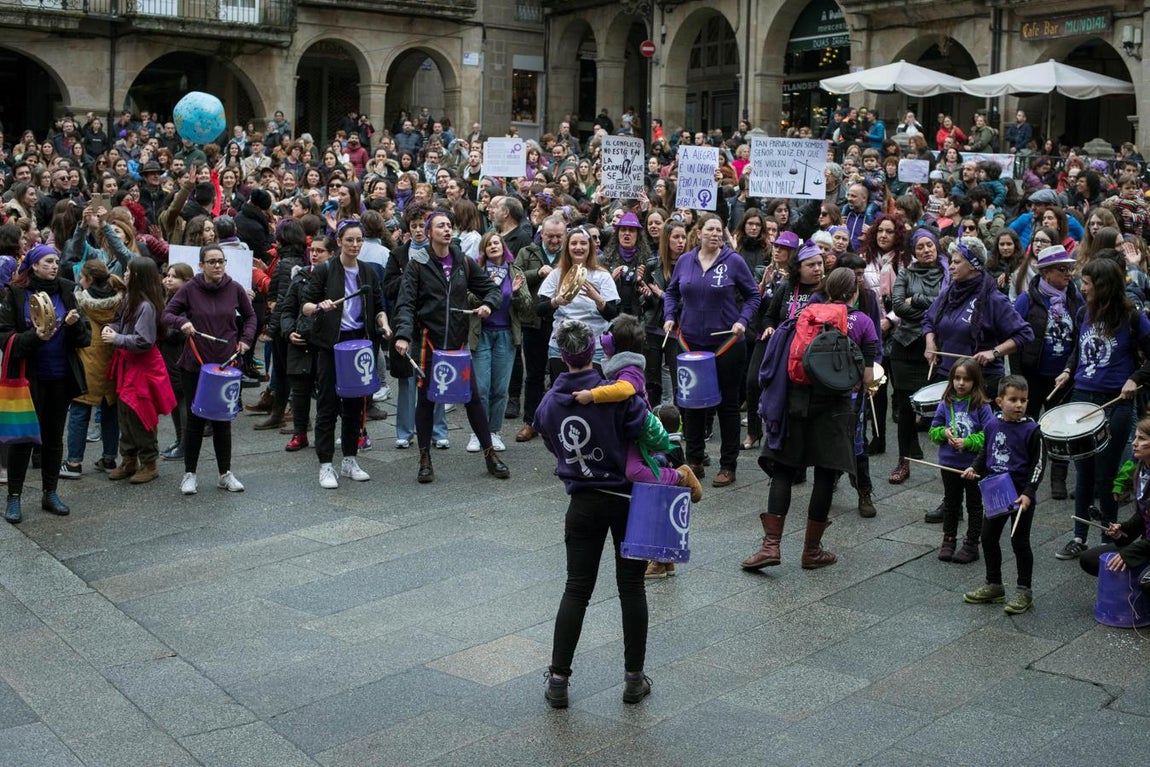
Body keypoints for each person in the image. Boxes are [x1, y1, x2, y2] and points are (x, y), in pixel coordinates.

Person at [534, 319, 652, 709]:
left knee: (576, 590)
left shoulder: (551, 403)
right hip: (626, 499)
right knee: (632, 588)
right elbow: (643, 426)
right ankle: (634, 679)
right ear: (595, 352)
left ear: (562, 356)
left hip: (583, 502)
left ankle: (558, 680)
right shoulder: (614, 393)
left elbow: (551, 439)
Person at [743, 265, 876, 571]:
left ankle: (770, 546)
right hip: (834, 408)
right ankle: (811, 551)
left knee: (784, 472)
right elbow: (864, 378)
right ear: (854, 291)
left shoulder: (803, 316)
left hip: (795, 402)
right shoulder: (862, 323)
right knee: (826, 475)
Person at [392, 209, 510, 483]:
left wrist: (487, 305)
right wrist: (403, 335)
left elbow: (491, 290)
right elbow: (406, 303)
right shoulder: (418, 264)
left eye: (449, 226)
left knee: (472, 398)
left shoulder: (464, 262)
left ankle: (490, 453)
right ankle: (424, 457)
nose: (447, 230)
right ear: (430, 233)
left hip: (457, 344)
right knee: (426, 400)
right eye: (440, 226)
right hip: (428, 343)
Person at [1053, 258, 1150, 559]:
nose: (1081, 287)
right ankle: (1079, 536)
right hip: (1082, 397)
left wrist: (1135, 379)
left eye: (1087, 283)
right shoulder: (1084, 312)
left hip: (1115, 402)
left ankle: (1110, 536)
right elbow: (1077, 351)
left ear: (1104, 286)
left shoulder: (1132, 317)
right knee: (1082, 471)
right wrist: (1068, 371)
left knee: (1105, 475)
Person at [663, 213, 760, 488]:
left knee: (727, 406)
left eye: (719, 230)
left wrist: (742, 321)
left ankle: (728, 464)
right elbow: (671, 292)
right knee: (691, 405)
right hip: (691, 344)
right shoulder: (685, 260)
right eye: (710, 229)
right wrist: (670, 315)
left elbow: (753, 295)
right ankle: (694, 460)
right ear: (700, 232)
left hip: (726, 345)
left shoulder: (734, 262)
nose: (715, 234)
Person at [0, 244, 90, 523]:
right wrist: (35, 337)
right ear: (34, 265)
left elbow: (84, 339)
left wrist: (75, 324)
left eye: (56, 261)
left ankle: (50, 493)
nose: (54, 266)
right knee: (23, 438)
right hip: (29, 378)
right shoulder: (16, 293)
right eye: (48, 262)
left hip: (60, 377)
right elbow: (4, 337)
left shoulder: (66, 289)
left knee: (53, 437)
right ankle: (13, 497)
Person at [301, 220, 391, 490]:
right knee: (328, 404)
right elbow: (304, 305)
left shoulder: (368, 272)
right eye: (350, 240)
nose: (355, 245)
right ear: (338, 241)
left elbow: (378, 304)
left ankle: (349, 459)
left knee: (355, 406)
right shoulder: (325, 270)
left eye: (359, 240)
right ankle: (325, 464)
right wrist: (318, 306)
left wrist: (384, 324)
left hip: (359, 343)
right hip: (332, 344)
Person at [162, 243, 256, 496]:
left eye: (220, 261)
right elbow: (168, 314)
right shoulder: (190, 289)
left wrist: (246, 340)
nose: (217, 265)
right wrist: (182, 322)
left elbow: (251, 317)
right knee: (195, 420)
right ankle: (189, 474)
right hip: (195, 364)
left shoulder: (235, 288)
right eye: (211, 261)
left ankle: (224, 473)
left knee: (222, 421)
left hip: (226, 364)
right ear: (201, 265)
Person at [961, 375, 1045, 615]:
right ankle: (994, 585)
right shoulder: (991, 425)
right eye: (1013, 400)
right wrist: (974, 468)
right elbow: (985, 454)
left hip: (1020, 495)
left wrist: (1029, 492)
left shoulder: (1033, 431)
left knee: (1019, 541)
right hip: (997, 491)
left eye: (1023, 400)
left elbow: (1039, 465)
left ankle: (1024, 590)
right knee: (988, 538)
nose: (1019, 405)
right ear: (999, 401)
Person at [924, 237, 1034, 400]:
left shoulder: (993, 298)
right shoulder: (949, 292)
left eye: (956, 262)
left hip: (981, 379)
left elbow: (1025, 334)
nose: (951, 266)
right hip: (949, 375)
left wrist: (994, 352)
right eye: (950, 261)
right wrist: (930, 343)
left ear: (972, 265)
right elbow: (929, 320)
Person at [1014, 245, 1082, 499]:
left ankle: (1059, 478)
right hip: (1033, 375)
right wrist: (1018, 375)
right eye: (1062, 269)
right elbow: (1015, 337)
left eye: (1070, 269)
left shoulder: (1075, 298)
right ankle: (1025, 471)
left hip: (1064, 377)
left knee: (1061, 427)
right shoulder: (1027, 299)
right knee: (1028, 424)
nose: (1069, 274)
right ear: (1045, 272)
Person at [102, 257, 177, 485]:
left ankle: (149, 463)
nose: (124, 273)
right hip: (129, 365)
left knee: (140, 415)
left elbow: (144, 340)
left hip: (142, 368)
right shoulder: (129, 299)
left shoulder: (145, 306)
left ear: (137, 275)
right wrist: (112, 328)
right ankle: (129, 460)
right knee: (125, 415)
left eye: (128, 270)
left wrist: (117, 338)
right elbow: (119, 321)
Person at [467, 231, 533, 452]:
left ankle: (494, 432)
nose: (493, 247)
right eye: (489, 245)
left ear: (503, 246)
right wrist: (490, 289)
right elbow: (467, 299)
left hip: (506, 335)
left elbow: (527, 307)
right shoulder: (477, 272)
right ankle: (477, 433)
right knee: (481, 388)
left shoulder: (515, 271)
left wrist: (514, 293)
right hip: (482, 334)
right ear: (484, 250)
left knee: (500, 389)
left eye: (496, 243)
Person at [889, 229, 946, 483]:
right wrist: (928, 307)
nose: (926, 250)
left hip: (933, 347)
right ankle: (904, 460)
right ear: (914, 251)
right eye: (921, 246)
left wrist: (918, 299)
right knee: (905, 406)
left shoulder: (947, 273)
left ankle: (947, 461)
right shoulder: (905, 273)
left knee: (933, 405)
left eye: (930, 245)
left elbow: (945, 305)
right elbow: (898, 306)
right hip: (905, 345)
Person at [1078, 416, 1150, 600]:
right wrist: (1122, 530)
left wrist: (1130, 553)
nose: (1134, 444)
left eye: (1142, 439)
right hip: (1146, 545)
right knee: (1090, 559)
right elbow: (1143, 516)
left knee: (1147, 581)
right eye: (1135, 437)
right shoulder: (1141, 469)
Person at [929, 357, 993, 563]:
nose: (961, 383)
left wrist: (967, 442)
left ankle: (972, 544)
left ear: (975, 381)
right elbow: (933, 430)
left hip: (973, 465)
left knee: (974, 505)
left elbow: (990, 434)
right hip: (949, 463)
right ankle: (948, 540)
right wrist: (943, 433)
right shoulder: (945, 404)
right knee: (951, 503)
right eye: (957, 378)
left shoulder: (982, 406)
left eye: (966, 379)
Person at [279, 234, 334, 452]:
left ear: (331, 254)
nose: (314, 254)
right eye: (312, 250)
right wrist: (288, 331)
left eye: (320, 251)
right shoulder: (300, 277)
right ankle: (299, 434)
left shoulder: (334, 278)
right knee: (299, 393)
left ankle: (324, 435)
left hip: (323, 345)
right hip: (300, 344)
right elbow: (287, 309)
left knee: (326, 395)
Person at [159, 263, 193, 461]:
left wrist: (159, 329)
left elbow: (176, 333)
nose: (168, 279)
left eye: (174, 277)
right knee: (174, 399)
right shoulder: (171, 297)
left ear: (186, 281)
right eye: (168, 275)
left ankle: (185, 444)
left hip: (178, 355)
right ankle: (180, 439)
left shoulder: (186, 301)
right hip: (169, 354)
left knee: (181, 400)